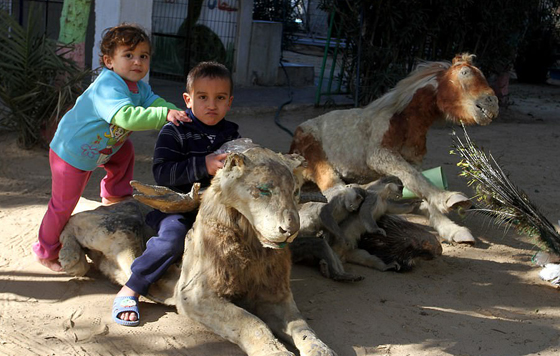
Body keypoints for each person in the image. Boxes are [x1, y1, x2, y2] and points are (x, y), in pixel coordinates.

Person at [33, 23, 190, 273]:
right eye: (128, 55)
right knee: (62, 205)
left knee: (125, 151)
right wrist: (164, 115)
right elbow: (127, 117)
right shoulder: (108, 86)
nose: (137, 62)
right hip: (72, 154)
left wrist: (180, 114)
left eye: (143, 56)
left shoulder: (140, 87)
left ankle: (115, 195)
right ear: (109, 61)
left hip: (102, 149)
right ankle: (46, 249)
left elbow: (156, 102)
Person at [112, 61, 240, 326]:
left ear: (229, 102)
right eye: (202, 97)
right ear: (188, 99)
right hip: (177, 207)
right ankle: (132, 287)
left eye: (219, 98)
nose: (211, 105)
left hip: (215, 207)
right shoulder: (175, 131)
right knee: (173, 240)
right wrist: (203, 165)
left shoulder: (231, 133)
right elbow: (163, 174)